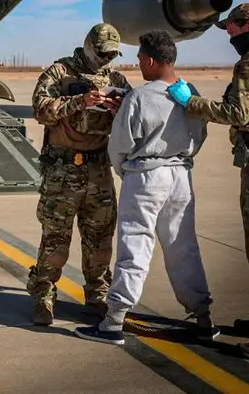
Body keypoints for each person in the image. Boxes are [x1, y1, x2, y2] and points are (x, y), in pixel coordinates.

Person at [74, 31, 218, 346]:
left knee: (135, 247)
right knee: (183, 247)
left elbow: (120, 145)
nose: (139, 64)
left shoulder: (139, 97)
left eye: (140, 58)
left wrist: (126, 171)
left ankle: (114, 321)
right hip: (180, 176)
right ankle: (203, 317)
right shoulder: (190, 94)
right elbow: (200, 134)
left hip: (146, 176)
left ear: (151, 60)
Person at [168, 2, 249, 361]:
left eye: (231, 26)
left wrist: (191, 102)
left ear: (248, 26)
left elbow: (237, 113)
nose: (228, 33)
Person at [28, 23, 132, 324]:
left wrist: (119, 109)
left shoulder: (116, 79)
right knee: (55, 238)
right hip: (63, 170)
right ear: (88, 46)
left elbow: (133, 120)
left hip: (98, 170)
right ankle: (44, 295)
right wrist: (79, 101)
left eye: (112, 55)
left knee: (100, 238)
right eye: (103, 53)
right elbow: (40, 109)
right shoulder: (60, 72)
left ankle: (97, 296)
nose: (106, 59)